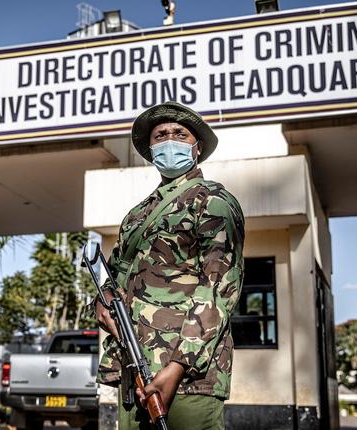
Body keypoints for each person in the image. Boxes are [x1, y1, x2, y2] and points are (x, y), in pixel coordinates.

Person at [95, 101, 245, 429]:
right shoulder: (136, 216)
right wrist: (103, 300)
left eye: (179, 134)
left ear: (197, 147)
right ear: (150, 150)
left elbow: (218, 291)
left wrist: (176, 367)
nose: (169, 140)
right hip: (135, 373)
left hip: (189, 376)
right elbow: (116, 274)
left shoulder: (211, 201)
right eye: (161, 136)